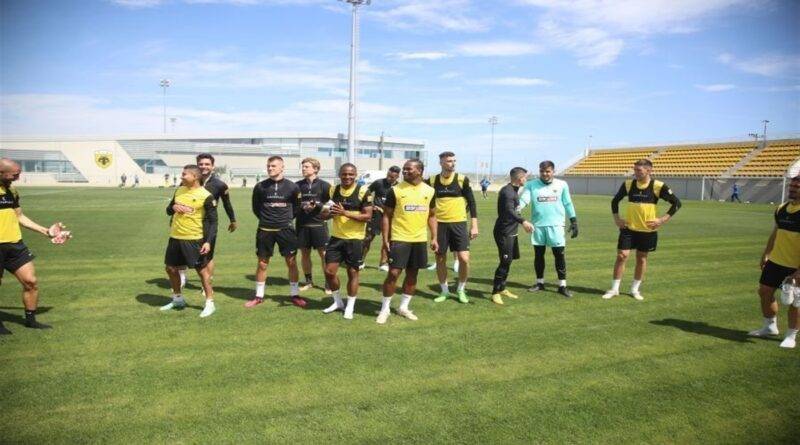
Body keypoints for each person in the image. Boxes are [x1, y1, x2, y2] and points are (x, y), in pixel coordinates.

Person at [0, 158, 70, 334]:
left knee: (31, 281)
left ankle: (31, 321)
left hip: (15, 245)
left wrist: (47, 231)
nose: (17, 177)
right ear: (1, 172)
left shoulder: (12, 191)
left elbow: (19, 217)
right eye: (14, 174)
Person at [602, 159, 681, 300]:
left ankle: (634, 289)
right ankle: (614, 289)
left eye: (639, 170)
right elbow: (615, 201)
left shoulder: (658, 186)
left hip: (647, 230)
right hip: (628, 228)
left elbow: (676, 203)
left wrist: (661, 220)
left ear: (649, 170)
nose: (636, 173)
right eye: (635, 170)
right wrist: (617, 219)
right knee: (622, 255)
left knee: (641, 258)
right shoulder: (628, 184)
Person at [376, 159, 437, 324]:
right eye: (404, 169)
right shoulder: (395, 190)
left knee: (412, 274)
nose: (405, 171)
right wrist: (385, 239)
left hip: (419, 240)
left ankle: (403, 307)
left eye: (409, 169)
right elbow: (386, 216)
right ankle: (385, 309)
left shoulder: (430, 191)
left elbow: (432, 215)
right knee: (393, 274)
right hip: (399, 238)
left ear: (420, 171)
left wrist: (434, 237)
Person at [748, 175, 800, 348]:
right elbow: (776, 232)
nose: (792, 188)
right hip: (776, 261)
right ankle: (770, 326)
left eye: (797, 186)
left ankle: (791, 335)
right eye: (792, 185)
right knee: (764, 291)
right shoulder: (781, 209)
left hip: (796, 264)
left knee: (796, 300)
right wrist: (766, 253)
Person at [246, 156, 305, 308]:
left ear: (282, 167)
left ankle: (295, 295)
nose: (270, 168)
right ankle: (259, 296)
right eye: (268, 166)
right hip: (265, 230)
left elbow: (296, 208)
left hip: (286, 230)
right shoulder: (260, 186)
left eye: (273, 166)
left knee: (291, 262)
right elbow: (256, 208)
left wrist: (284, 220)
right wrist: (267, 220)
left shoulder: (293, 187)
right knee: (262, 264)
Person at [161, 165, 217, 318]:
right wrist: (174, 206)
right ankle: (178, 299)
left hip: (194, 239)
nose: (181, 176)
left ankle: (210, 303)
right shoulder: (179, 190)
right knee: (171, 269)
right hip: (175, 237)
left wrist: (208, 242)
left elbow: (213, 222)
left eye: (184, 174)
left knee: (202, 271)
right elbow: (168, 210)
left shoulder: (206, 196)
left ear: (195, 177)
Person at [177, 153, 238, 289]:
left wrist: (232, 220)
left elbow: (227, 204)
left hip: (207, 224)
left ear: (213, 166)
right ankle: (182, 278)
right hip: (187, 223)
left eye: (207, 164)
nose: (204, 166)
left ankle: (207, 284)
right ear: (197, 165)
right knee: (182, 252)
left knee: (207, 255)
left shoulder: (220, 185)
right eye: (201, 164)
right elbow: (179, 201)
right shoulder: (186, 182)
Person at [518, 160, 578, 298]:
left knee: (559, 255)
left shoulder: (562, 184)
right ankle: (540, 283)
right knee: (539, 255)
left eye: (547, 171)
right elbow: (524, 200)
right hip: (538, 226)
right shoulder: (531, 184)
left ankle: (562, 285)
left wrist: (573, 220)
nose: (544, 174)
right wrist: (517, 209)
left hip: (556, 225)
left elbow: (568, 203)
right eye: (542, 171)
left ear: (553, 171)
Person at [320, 163, 372, 319]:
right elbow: (324, 214)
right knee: (329, 272)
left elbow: (367, 216)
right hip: (336, 238)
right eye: (344, 174)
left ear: (355, 175)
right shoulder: (333, 190)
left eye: (350, 174)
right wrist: (328, 212)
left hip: (355, 239)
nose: (347, 177)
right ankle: (338, 302)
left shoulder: (363, 191)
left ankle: (350, 306)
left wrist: (344, 213)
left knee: (352, 272)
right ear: (339, 175)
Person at [426, 151, 478, 304]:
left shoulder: (462, 179)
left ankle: (461, 289)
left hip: (459, 223)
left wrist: (474, 225)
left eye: (454, 160)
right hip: (440, 225)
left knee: (464, 258)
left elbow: (472, 203)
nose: (452, 163)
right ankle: (445, 291)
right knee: (440, 258)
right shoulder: (432, 181)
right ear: (441, 163)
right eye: (449, 161)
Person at [491, 167, 534, 305]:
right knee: (504, 262)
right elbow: (510, 211)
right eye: (525, 177)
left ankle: (502, 288)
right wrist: (523, 221)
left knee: (508, 261)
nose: (526, 179)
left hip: (511, 232)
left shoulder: (514, 190)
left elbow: (514, 210)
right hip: (504, 232)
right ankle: (495, 292)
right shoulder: (508, 192)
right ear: (519, 179)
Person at [295, 158, 332, 293]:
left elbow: (333, 205)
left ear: (315, 169)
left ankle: (328, 283)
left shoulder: (325, 186)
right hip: (302, 225)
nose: (303, 169)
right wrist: (302, 206)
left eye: (307, 166)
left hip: (319, 225)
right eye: (303, 166)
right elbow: (292, 204)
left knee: (324, 254)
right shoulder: (297, 185)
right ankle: (308, 281)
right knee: (304, 254)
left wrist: (318, 205)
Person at [362, 166, 400, 271]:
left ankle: (383, 263)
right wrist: (371, 205)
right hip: (376, 214)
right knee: (368, 238)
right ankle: (361, 261)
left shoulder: (399, 187)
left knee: (387, 240)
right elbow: (367, 193)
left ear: (397, 177)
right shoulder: (379, 183)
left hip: (390, 216)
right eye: (388, 175)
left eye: (392, 177)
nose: (389, 178)